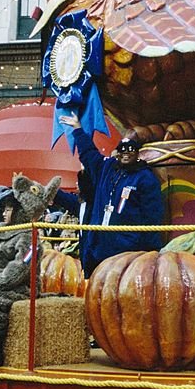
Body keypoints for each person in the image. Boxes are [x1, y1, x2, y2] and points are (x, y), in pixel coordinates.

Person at [56, 114, 164, 277]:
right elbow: (89, 154)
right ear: (118, 153)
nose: (126, 154)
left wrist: (148, 252)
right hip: (99, 251)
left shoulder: (145, 178)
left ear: (137, 154)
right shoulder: (107, 169)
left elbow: (152, 216)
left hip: (128, 253)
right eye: (122, 151)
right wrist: (78, 130)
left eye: (130, 151)